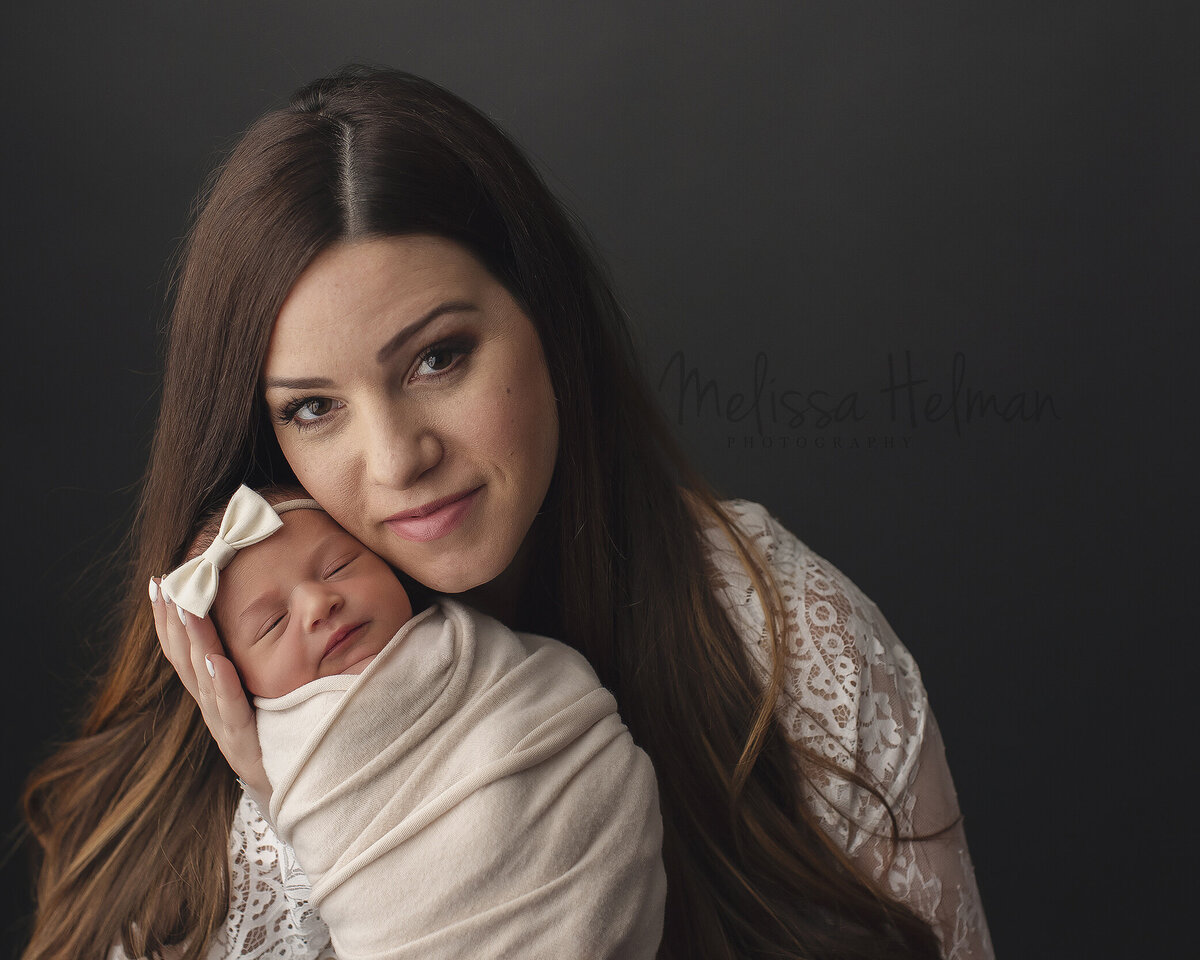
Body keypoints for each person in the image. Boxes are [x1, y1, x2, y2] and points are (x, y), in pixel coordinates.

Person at [21, 67, 994, 960]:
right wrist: (295, 796)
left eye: (437, 358)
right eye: (314, 409)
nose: (400, 459)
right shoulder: (204, 779)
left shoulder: (777, 631)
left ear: (543, 318)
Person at [156, 483, 664, 959]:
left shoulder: (476, 647)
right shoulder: (276, 747)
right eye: (272, 623)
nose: (317, 602)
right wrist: (269, 781)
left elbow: (555, 703)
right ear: (234, 681)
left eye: (338, 567)